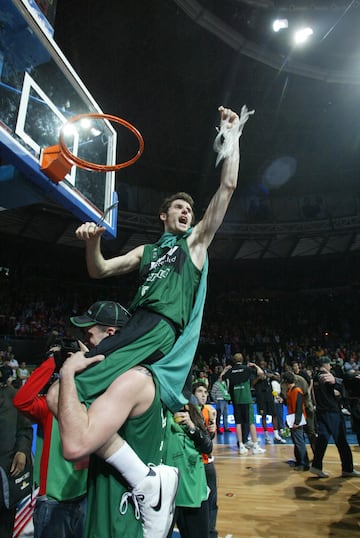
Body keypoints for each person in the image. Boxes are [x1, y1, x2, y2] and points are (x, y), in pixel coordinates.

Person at [56, 106, 253, 534]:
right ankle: (142, 480)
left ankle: (148, 484)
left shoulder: (195, 245)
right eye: (179, 208)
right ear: (163, 217)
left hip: (157, 329)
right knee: (61, 397)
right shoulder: (147, 251)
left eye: (189, 209)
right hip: (134, 325)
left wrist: (232, 137)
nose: (186, 212)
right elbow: (100, 271)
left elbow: (229, 186)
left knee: (67, 390)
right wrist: (91, 243)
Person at [47, 303, 178, 538]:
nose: (85, 344)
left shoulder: (134, 379)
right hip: (111, 513)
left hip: (124, 519)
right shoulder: (133, 378)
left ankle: (147, 481)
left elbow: (68, 430)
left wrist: (69, 372)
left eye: (89, 334)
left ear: (111, 335)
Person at [13, 303, 129, 538]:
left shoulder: (97, 401)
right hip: (54, 501)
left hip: (88, 496)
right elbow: (23, 401)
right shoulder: (52, 405)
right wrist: (54, 362)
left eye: (88, 333)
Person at [166, 402, 212, 538]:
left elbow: (208, 447)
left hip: (194, 492)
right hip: (169, 495)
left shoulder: (193, 412)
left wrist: (192, 427)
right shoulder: (162, 413)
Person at [310, 357, 360, 478]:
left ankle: (316, 466)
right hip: (332, 412)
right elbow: (336, 392)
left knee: (323, 439)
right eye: (329, 365)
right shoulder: (327, 377)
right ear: (325, 365)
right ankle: (347, 469)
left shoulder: (315, 377)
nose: (331, 367)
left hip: (321, 411)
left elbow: (313, 393)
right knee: (341, 440)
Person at [0, 373, 33, 538]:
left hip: (6, 476)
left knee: (5, 527)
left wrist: (22, 451)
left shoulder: (13, 396)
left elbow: (25, 429)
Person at [223, 353, 265, 455]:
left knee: (238, 423)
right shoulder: (246, 369)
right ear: (242, 359)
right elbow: (261, 374)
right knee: (251, 422)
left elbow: (221, 378)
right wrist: (255, 366)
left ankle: (241, 446)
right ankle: (255, 446)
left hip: (236, 400)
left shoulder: (231, 371)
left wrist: (225, 369)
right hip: (246, 399)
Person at [193, 383, 218, 538]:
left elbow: (209, 440)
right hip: (195, 463)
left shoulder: (208, 411)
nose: (203, 395)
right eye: (199, 391)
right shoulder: (188, 412)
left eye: (205, 392)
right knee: (199, 502)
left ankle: (211, 532)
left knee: (212, 502)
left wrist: (212, 430)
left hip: (208, 461)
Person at [252, 359, 286, 444]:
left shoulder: (269, 371)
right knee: (263, 416)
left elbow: (279, 379)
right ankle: (266, 436)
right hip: (260, 397)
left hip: (269, 396)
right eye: (261, 364)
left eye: (264, 363)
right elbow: (252, 384)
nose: (263, 364)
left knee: (274, 415)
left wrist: (271, 376)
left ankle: (276, 435)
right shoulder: (254, 372)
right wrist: (259, 378)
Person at [282, 371, 310, 471]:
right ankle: (299, 461)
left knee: (299, 442)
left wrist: (297, 423)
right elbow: (290, 404)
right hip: (292, 418)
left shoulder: (297, 391)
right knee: (297, 441)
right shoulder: (290, 391)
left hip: (296, 420)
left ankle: (304, 464)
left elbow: (299, 408)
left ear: (286, 382)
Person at [211, 368, 231, 434]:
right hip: (219, 400)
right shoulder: (216, 384)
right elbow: (212, 393)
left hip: (225, 400)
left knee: (225, 414)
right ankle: (218, 428)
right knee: (219, 415)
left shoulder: (225, 383)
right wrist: (215, 400)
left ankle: (226, 428)